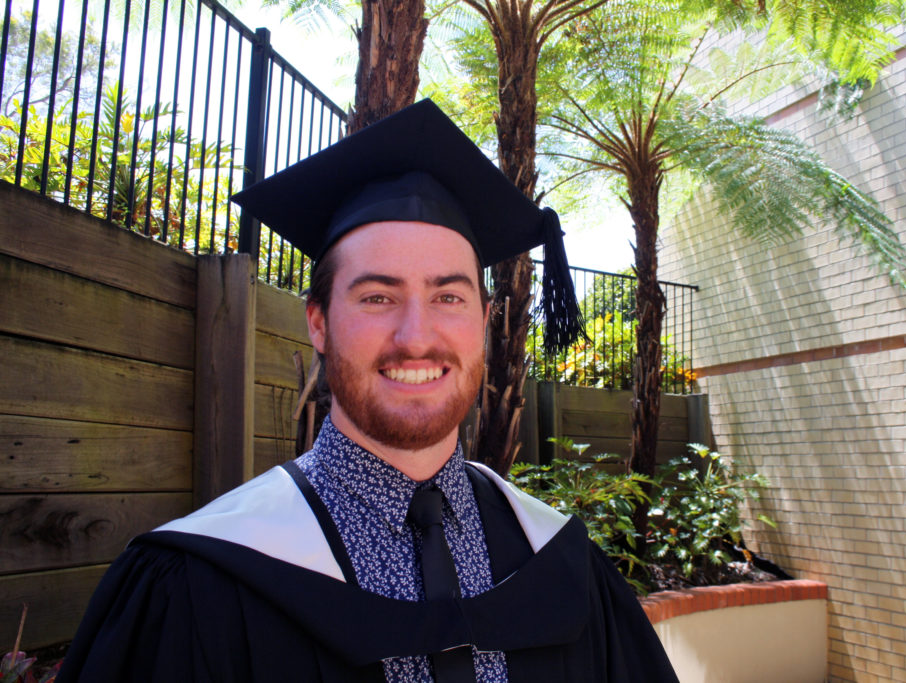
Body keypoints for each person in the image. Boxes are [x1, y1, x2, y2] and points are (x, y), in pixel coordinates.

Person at [57, 100, 678, 683]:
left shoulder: (562, 564)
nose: (417, 337)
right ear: (319, 322)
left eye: (448, 298)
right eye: (378, 297)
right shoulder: (195, 580)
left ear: (485, 323)